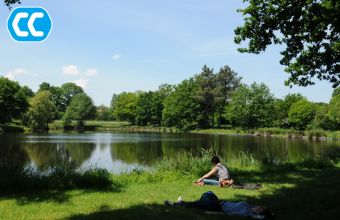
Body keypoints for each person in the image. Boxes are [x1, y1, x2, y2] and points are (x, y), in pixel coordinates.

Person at [164, 191, 273, 219]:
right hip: (220, 202)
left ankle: (178, 203)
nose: (259, 206)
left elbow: (227, 215)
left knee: (204, 202)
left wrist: (211, 213)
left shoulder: (246, 213)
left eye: (261, 208)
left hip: (218, 207)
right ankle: (188, 203)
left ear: (259, 212)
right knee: (208, 193)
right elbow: (269, 214)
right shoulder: (249, 206)